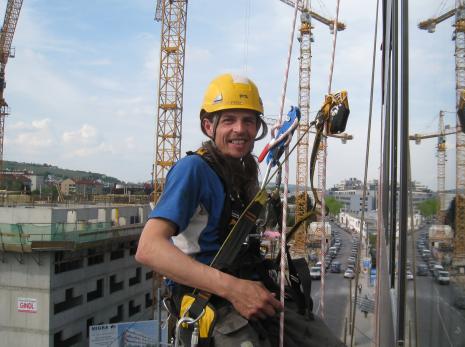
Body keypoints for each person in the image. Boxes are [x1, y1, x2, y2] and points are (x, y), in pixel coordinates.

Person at [136, 73, 343, 346]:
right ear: (209, 126)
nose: (240, 129)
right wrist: (234, 289)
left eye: (248, 120)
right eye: (229, 120)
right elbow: (149, 249)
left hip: (251, 287)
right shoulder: (194, 170)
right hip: (211, 298)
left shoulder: (245, 171)